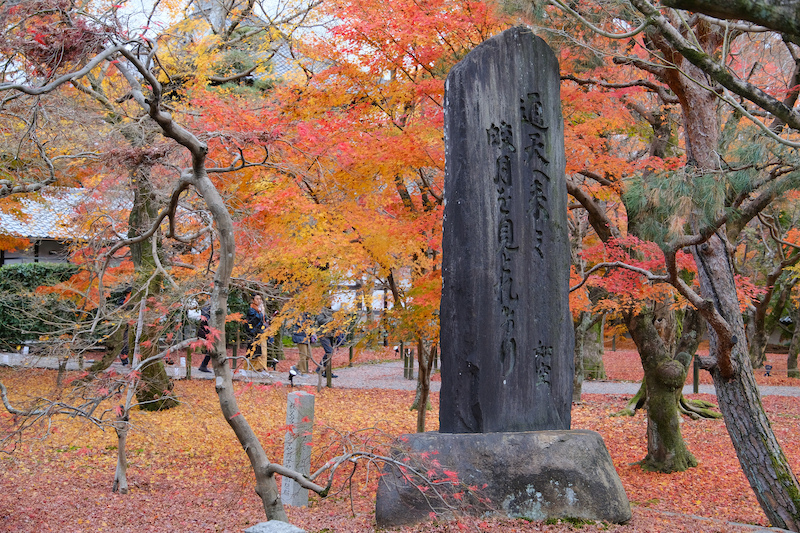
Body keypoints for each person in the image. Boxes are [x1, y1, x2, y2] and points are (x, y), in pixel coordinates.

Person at [315, 307, 338, 378]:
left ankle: (326, 371)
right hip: (323, 334)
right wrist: (332, 320)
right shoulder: (321, 310)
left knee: (330, 353)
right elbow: (320, 320)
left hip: (331, 334)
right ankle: (320, 369)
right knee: (329, 352)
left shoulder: (332, 311)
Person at [245, 294, 267, 362]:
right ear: (253, 300)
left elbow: (264, 320)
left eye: (260, 299)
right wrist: (261, 312)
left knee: (261, 351)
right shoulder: (251, 310)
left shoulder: (260, 309)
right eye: (257, 299)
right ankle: (250, 367)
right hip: (253, 333)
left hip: (260, 332)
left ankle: (260, 368)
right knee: (253, 350)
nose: (259, 301)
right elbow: (256, 319)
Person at [197, 305, 212, 373]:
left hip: (206, 332)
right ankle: (203, 365)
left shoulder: (207, 307)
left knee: (211, 350)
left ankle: (203, 365)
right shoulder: (207, 309)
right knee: (211, 350)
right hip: (206, 333)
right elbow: (208, 321)